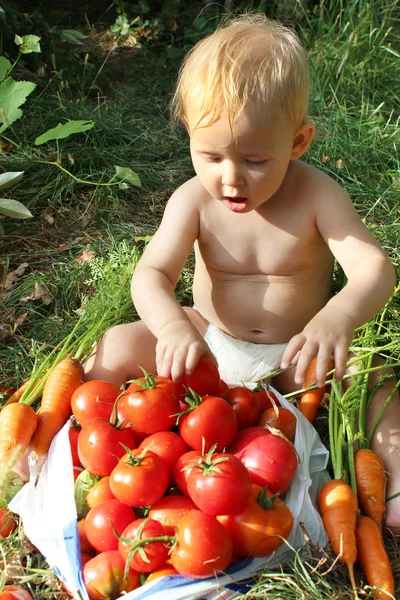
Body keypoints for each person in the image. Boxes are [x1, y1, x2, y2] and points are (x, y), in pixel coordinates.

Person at [85, 14, 400, 530]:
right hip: (208, 347)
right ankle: (96, 448)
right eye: (211, 156)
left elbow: (374, 267)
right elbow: (151, 274)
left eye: (255, 160)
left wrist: (339, 315)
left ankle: (398, 480)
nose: (230, 179)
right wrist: (171, 327)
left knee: (372, 379)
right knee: (117, 344)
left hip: (298, 357)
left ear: (297, 143)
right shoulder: (192, 200)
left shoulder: (318, 196)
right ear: (189, 134)